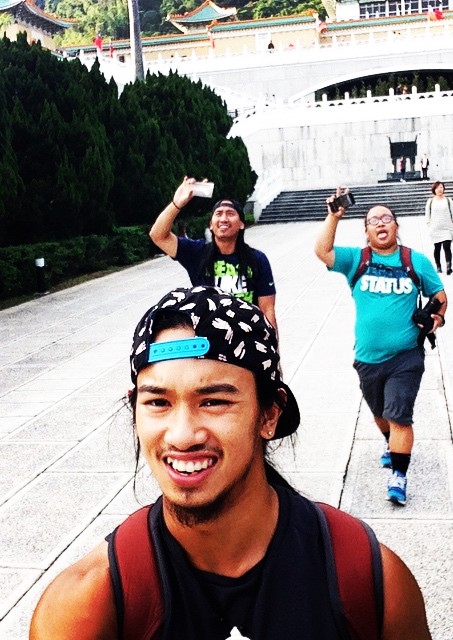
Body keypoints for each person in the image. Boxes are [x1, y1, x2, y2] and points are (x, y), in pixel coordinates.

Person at [30, 286, 432, 639]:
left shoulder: (365, 578)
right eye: (158, 402)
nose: (182, 435)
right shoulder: (87, 605)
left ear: (269, 414)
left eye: (214, 401)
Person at [315, 190, 447, 506]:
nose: (380, 223)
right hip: (367, 358)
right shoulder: (356, 260)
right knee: (380, 414)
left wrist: (437, 318)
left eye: (386, 218)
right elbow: (323, 250)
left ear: (396, 226)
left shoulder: (415, 261)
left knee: (399, 415)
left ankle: (399, 476)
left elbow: (440, 296)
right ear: (367, 231)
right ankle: (390, 442)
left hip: (406, 355)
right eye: (373, 220)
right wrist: (333, 216)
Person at [149, 177, 277, 331]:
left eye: (230, 213)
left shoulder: (257, 259)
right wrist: (176, 204)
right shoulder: (197, 253)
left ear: (241, 224)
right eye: (218, 213)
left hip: (247, 335)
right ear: (211, 224)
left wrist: (273, 344)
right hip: (209, 336)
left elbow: (267, 309)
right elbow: (158, 236)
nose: (224, 219)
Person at [425, 181, 453, 275]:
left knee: (447, 247)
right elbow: (427, 215)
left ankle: (449, 266)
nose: (440, 189)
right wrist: (429, 225)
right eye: (437, 188)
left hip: (447, 227)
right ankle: (438, 266)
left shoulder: (448, 200)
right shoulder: (430, 201)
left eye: (441, 187)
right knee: (437, 248)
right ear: (434, 190)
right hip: (435, 228)